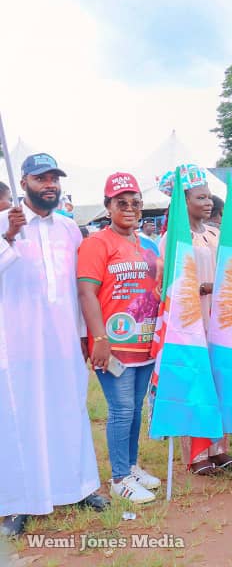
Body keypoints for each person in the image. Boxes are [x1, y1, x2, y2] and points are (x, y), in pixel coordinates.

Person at [0, 153, 108, 538]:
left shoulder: (69, 229)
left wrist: (86, 334)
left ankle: (76, 488)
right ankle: (18, 502)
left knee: (68, 410)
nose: (50, 185)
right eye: (41, 178)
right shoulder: (4, 223)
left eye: (54, 179)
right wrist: (8, 236)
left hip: (63, 340)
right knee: (21, 419)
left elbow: (78, 287)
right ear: (24, 182)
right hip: (18, 342)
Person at [78, 173, 161, 504]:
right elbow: (86, 292)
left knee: (136, 408)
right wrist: (99, 337)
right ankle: (119, 479)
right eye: (121, 203)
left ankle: (130, 465)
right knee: (122, 408)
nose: (129, 208)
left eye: (135, 203)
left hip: (145, 341)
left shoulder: (148, 245)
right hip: (112, 344)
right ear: (108, 207)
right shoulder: (96, 244)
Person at [157, 164, 232, 474]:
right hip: (191, 320)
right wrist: (202, 288)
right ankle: (196, 454)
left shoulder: (215, 234)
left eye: (209, 197)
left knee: (218, 380)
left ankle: (218, 448)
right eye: (201, 197)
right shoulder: (173, 239)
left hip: (219, 318)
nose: (208, 203)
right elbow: (170, 283)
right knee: (195, 382)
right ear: (184, 201)